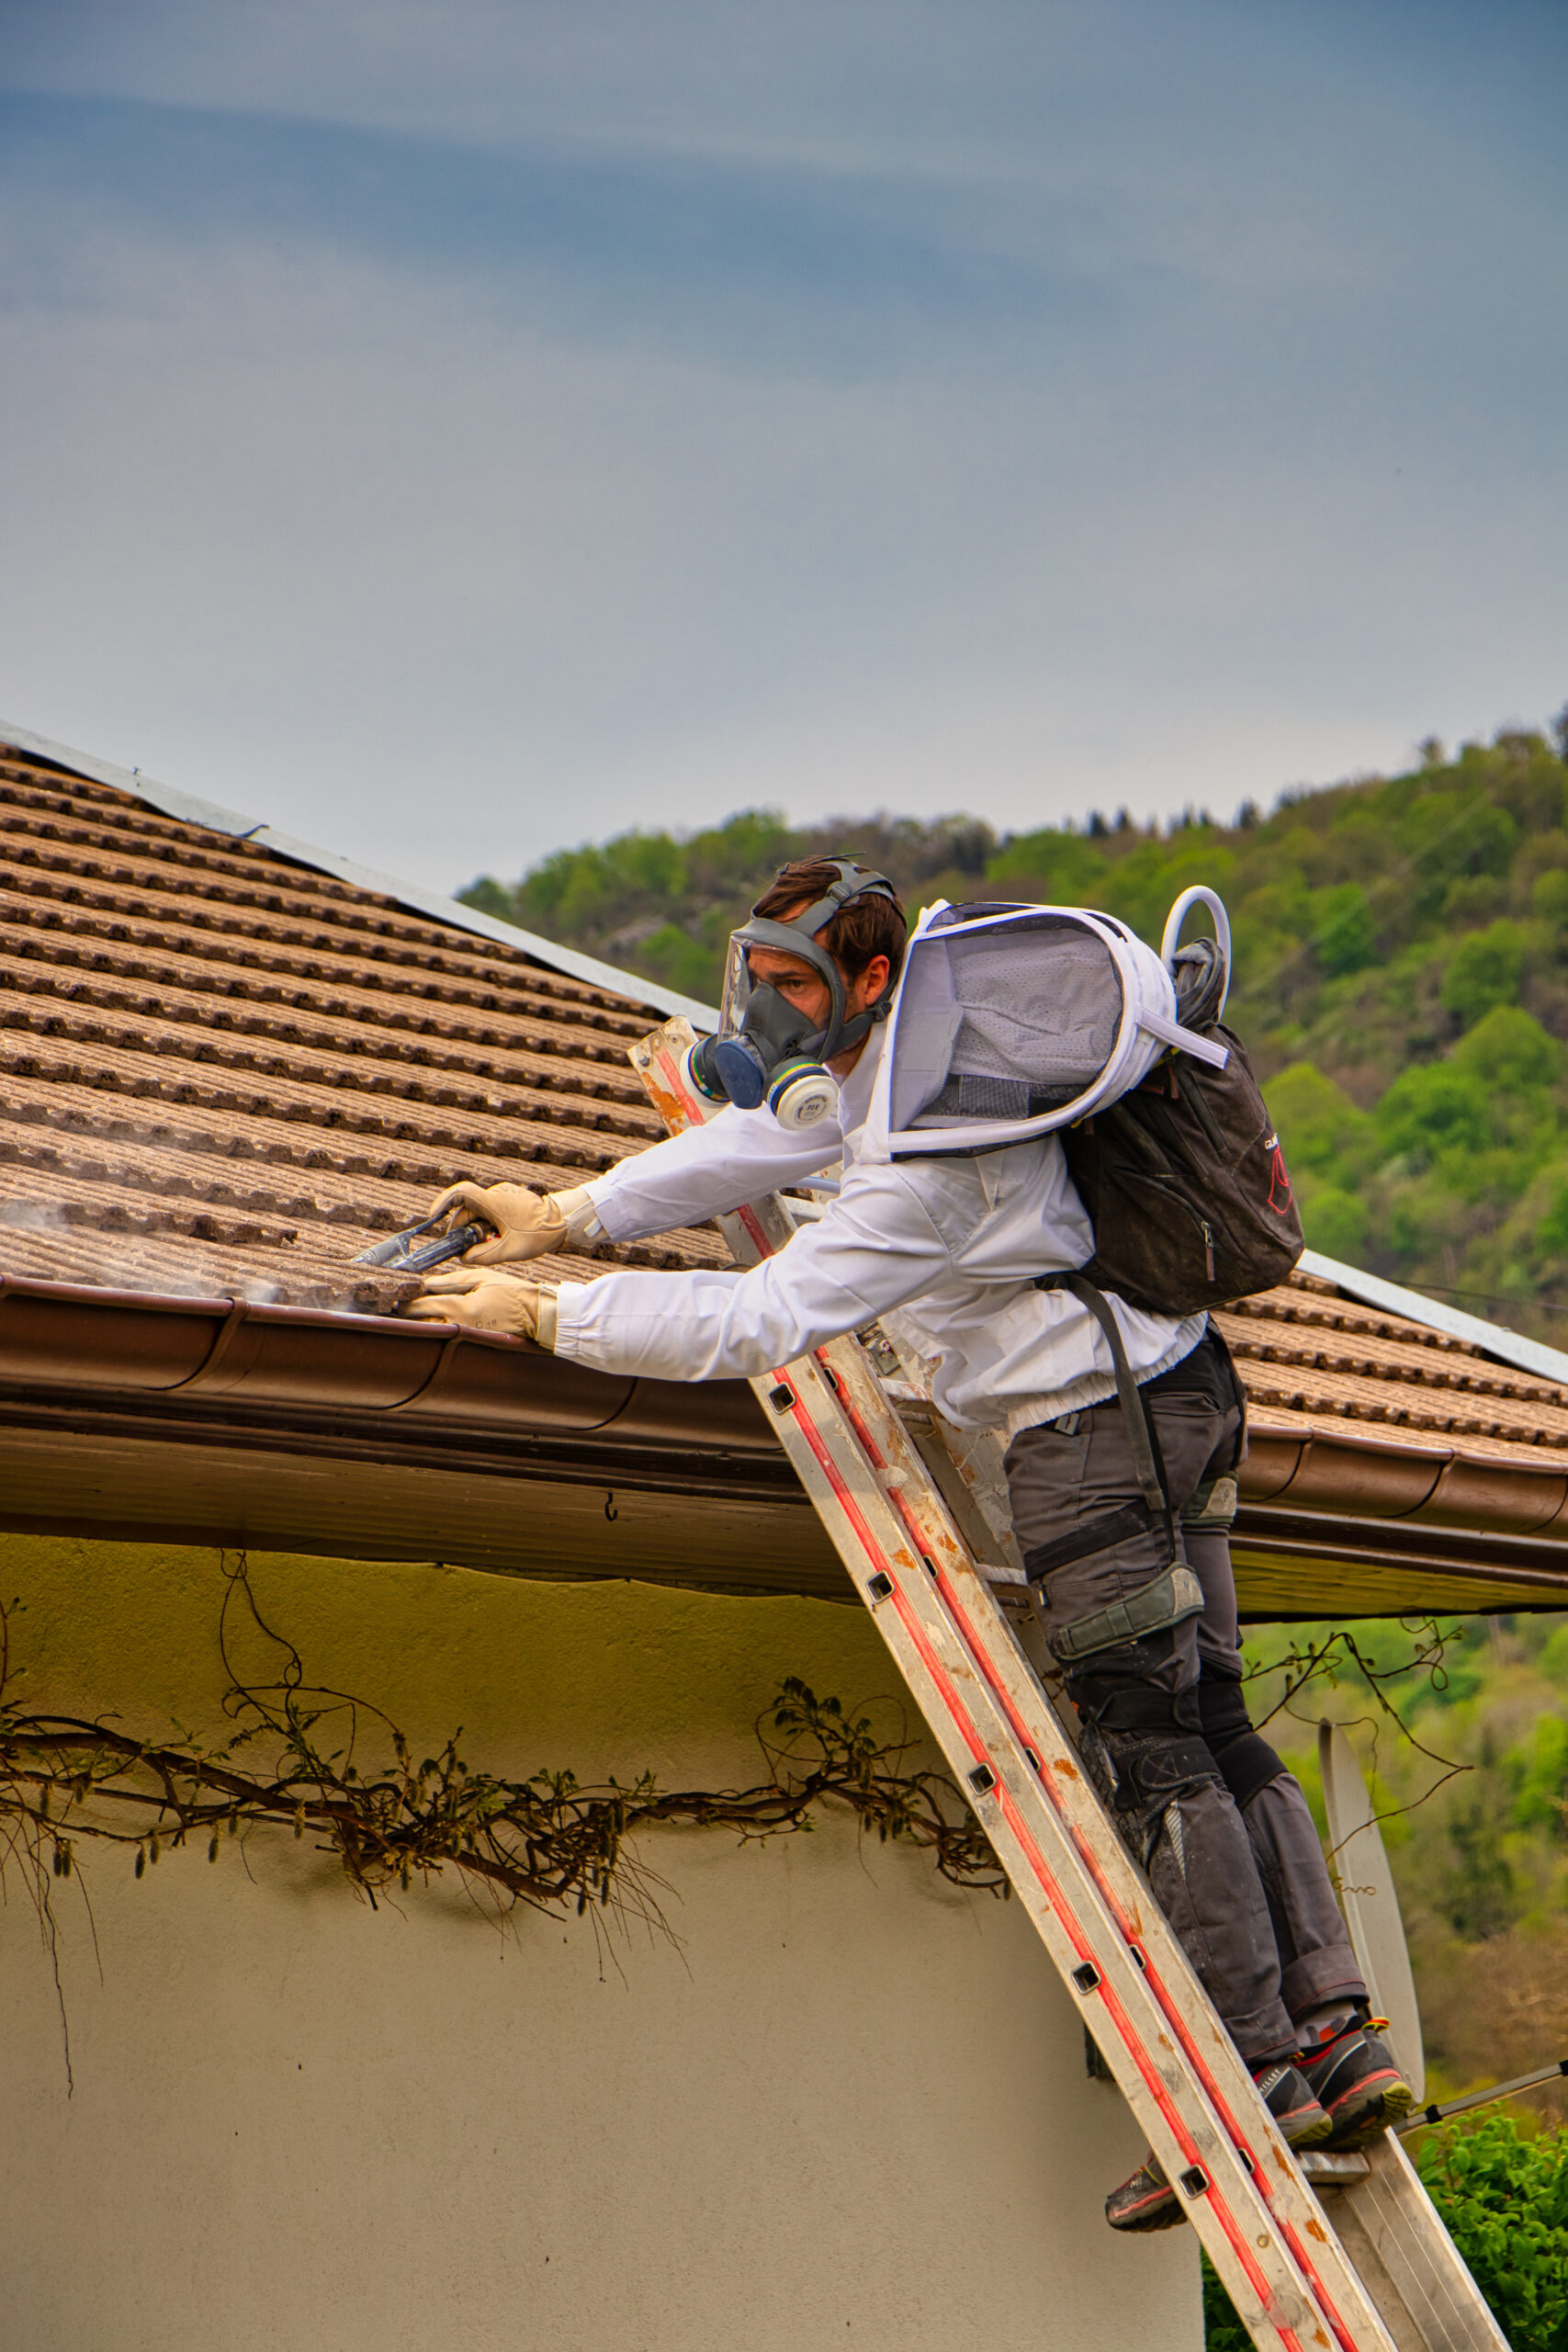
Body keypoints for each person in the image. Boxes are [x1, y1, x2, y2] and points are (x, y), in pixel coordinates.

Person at [405, 856, 1413, 2232]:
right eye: (753, 973)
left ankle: (1248, 2083)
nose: (761, 1003)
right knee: (1217, 1719)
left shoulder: (936, 1160)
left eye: (792, 984)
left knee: (1156, 1749)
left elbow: (757, 1320)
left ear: (867, 983)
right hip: (1183, 1392)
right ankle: (1336, 2042)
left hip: (1091, 1439)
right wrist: (573, 1216)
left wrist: (550, 1317)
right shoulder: (943, 1042)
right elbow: (773, 1143)